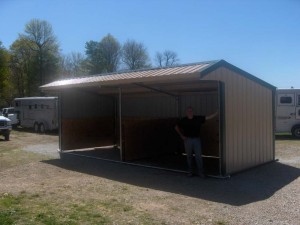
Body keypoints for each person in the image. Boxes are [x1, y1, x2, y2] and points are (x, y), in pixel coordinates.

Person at [175, 106, 218, 177]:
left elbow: (207, 117)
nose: (190, 112)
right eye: (188, 111)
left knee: (198, 156)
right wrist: (181, 135)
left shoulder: (198, 118)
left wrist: (216, 113)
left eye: (191, 111)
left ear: (193, 112)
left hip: (196, 140)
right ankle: (190, 171)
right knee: (189, 156)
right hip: (187, 140)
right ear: (186, 112)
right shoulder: (183, 120)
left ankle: (201, 172)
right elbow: (176, 127)